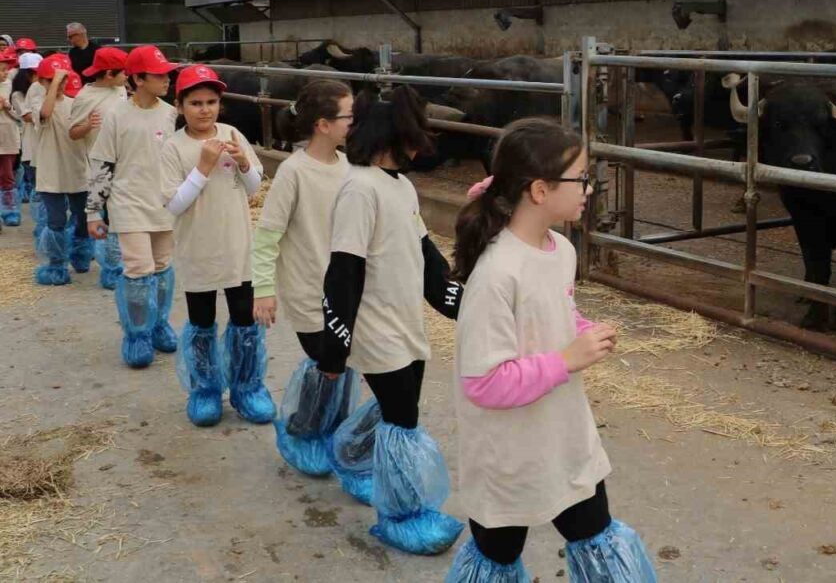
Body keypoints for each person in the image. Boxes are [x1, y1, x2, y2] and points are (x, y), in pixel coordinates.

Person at [444, 117, 658, 583]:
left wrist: (584, 330)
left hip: (562, 433)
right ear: (540, 191)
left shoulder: (560, 249)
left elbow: (552, 314)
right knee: (498, 554)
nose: (589, 189)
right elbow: (484, 382)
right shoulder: (496, 274)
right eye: (580, 179)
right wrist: (567, 359)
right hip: (508, 451)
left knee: (595, 529)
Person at [318, 86, 465, 556]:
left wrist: (462, 304)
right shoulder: (359, 190)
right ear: (392, 137)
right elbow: (344, 271)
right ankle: (402, 515)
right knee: (403, 418)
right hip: (375, 326)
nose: (421, 148)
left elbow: (426, 255)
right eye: (414, 137)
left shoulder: (401, 186)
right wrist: (335, 348)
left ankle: (350, 452)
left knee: (400, 406)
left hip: (405, 320)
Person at [251, 79, 361, 476]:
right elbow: (268, 235)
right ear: (323, 125)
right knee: (326, 363)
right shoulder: (293, 172)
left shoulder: (351, 168)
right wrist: (264, 289)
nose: (355, 123)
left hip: (344, 292)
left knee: (343, 363)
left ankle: (330, 432)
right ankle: (304, 431)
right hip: (308, 291)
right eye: (349, 116)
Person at [161, 64, 274, 427]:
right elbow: (174, 203)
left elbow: (254, 188)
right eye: (195, 103)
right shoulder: (173, 148)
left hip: (237, 245)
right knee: (202, 319)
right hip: (198, 248)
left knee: (244, 317)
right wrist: (203, 167)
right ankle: (206, 389)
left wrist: (243, 163)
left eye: (211, 102)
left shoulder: (232, 134)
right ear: (180, 106)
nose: (204, 110)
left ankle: (248, 387)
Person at [87, 45, 180, 369]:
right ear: (138, 79)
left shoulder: (172, 114)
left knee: (163, 267)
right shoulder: (117, 115)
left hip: (164, 204)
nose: (167, 79)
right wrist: (93, 211)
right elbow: (102, 163)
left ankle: (159, 324)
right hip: (128, 203)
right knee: (138, 269)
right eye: (159, 74)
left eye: (168, 73)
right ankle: (138, 333)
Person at [32, 56, 93, 285]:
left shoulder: (75, 103)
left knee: (82, 217)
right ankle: (57, 264)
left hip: (77, 169)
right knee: (56, 220)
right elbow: (46, 114)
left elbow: (82, 132)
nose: (59, 84)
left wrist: (89, 125)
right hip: (51, 172)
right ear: (41, 81)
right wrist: (55, 83)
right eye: (51, 80)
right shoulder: (39, 103)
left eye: (64, 79)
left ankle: (81, 255)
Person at [72, 46, 128, 289]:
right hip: (99, 168)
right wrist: (87, 125)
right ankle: (109, 268)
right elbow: (73, 132)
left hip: (124, 165)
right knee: (102, 218)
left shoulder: (121, 90)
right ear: (108, 74)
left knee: (119, 218)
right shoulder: (85, 97)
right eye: (123, 72)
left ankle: (119, 266)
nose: (127, 76)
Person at [13, 52, 42, 210]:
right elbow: (28, 117)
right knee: (38, 188)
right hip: (32, 149)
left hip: (49, 147)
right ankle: (42, 222)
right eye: (35, 74)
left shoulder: (47, 91)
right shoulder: (18, 95)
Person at [0, 48, 22, 226]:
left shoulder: (11, 86)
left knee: (7, 175)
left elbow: (21, 115)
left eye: (6, 69)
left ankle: (9, 211)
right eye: (2, 70)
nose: (6, 73)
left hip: (7, 136)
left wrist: (7, 106)